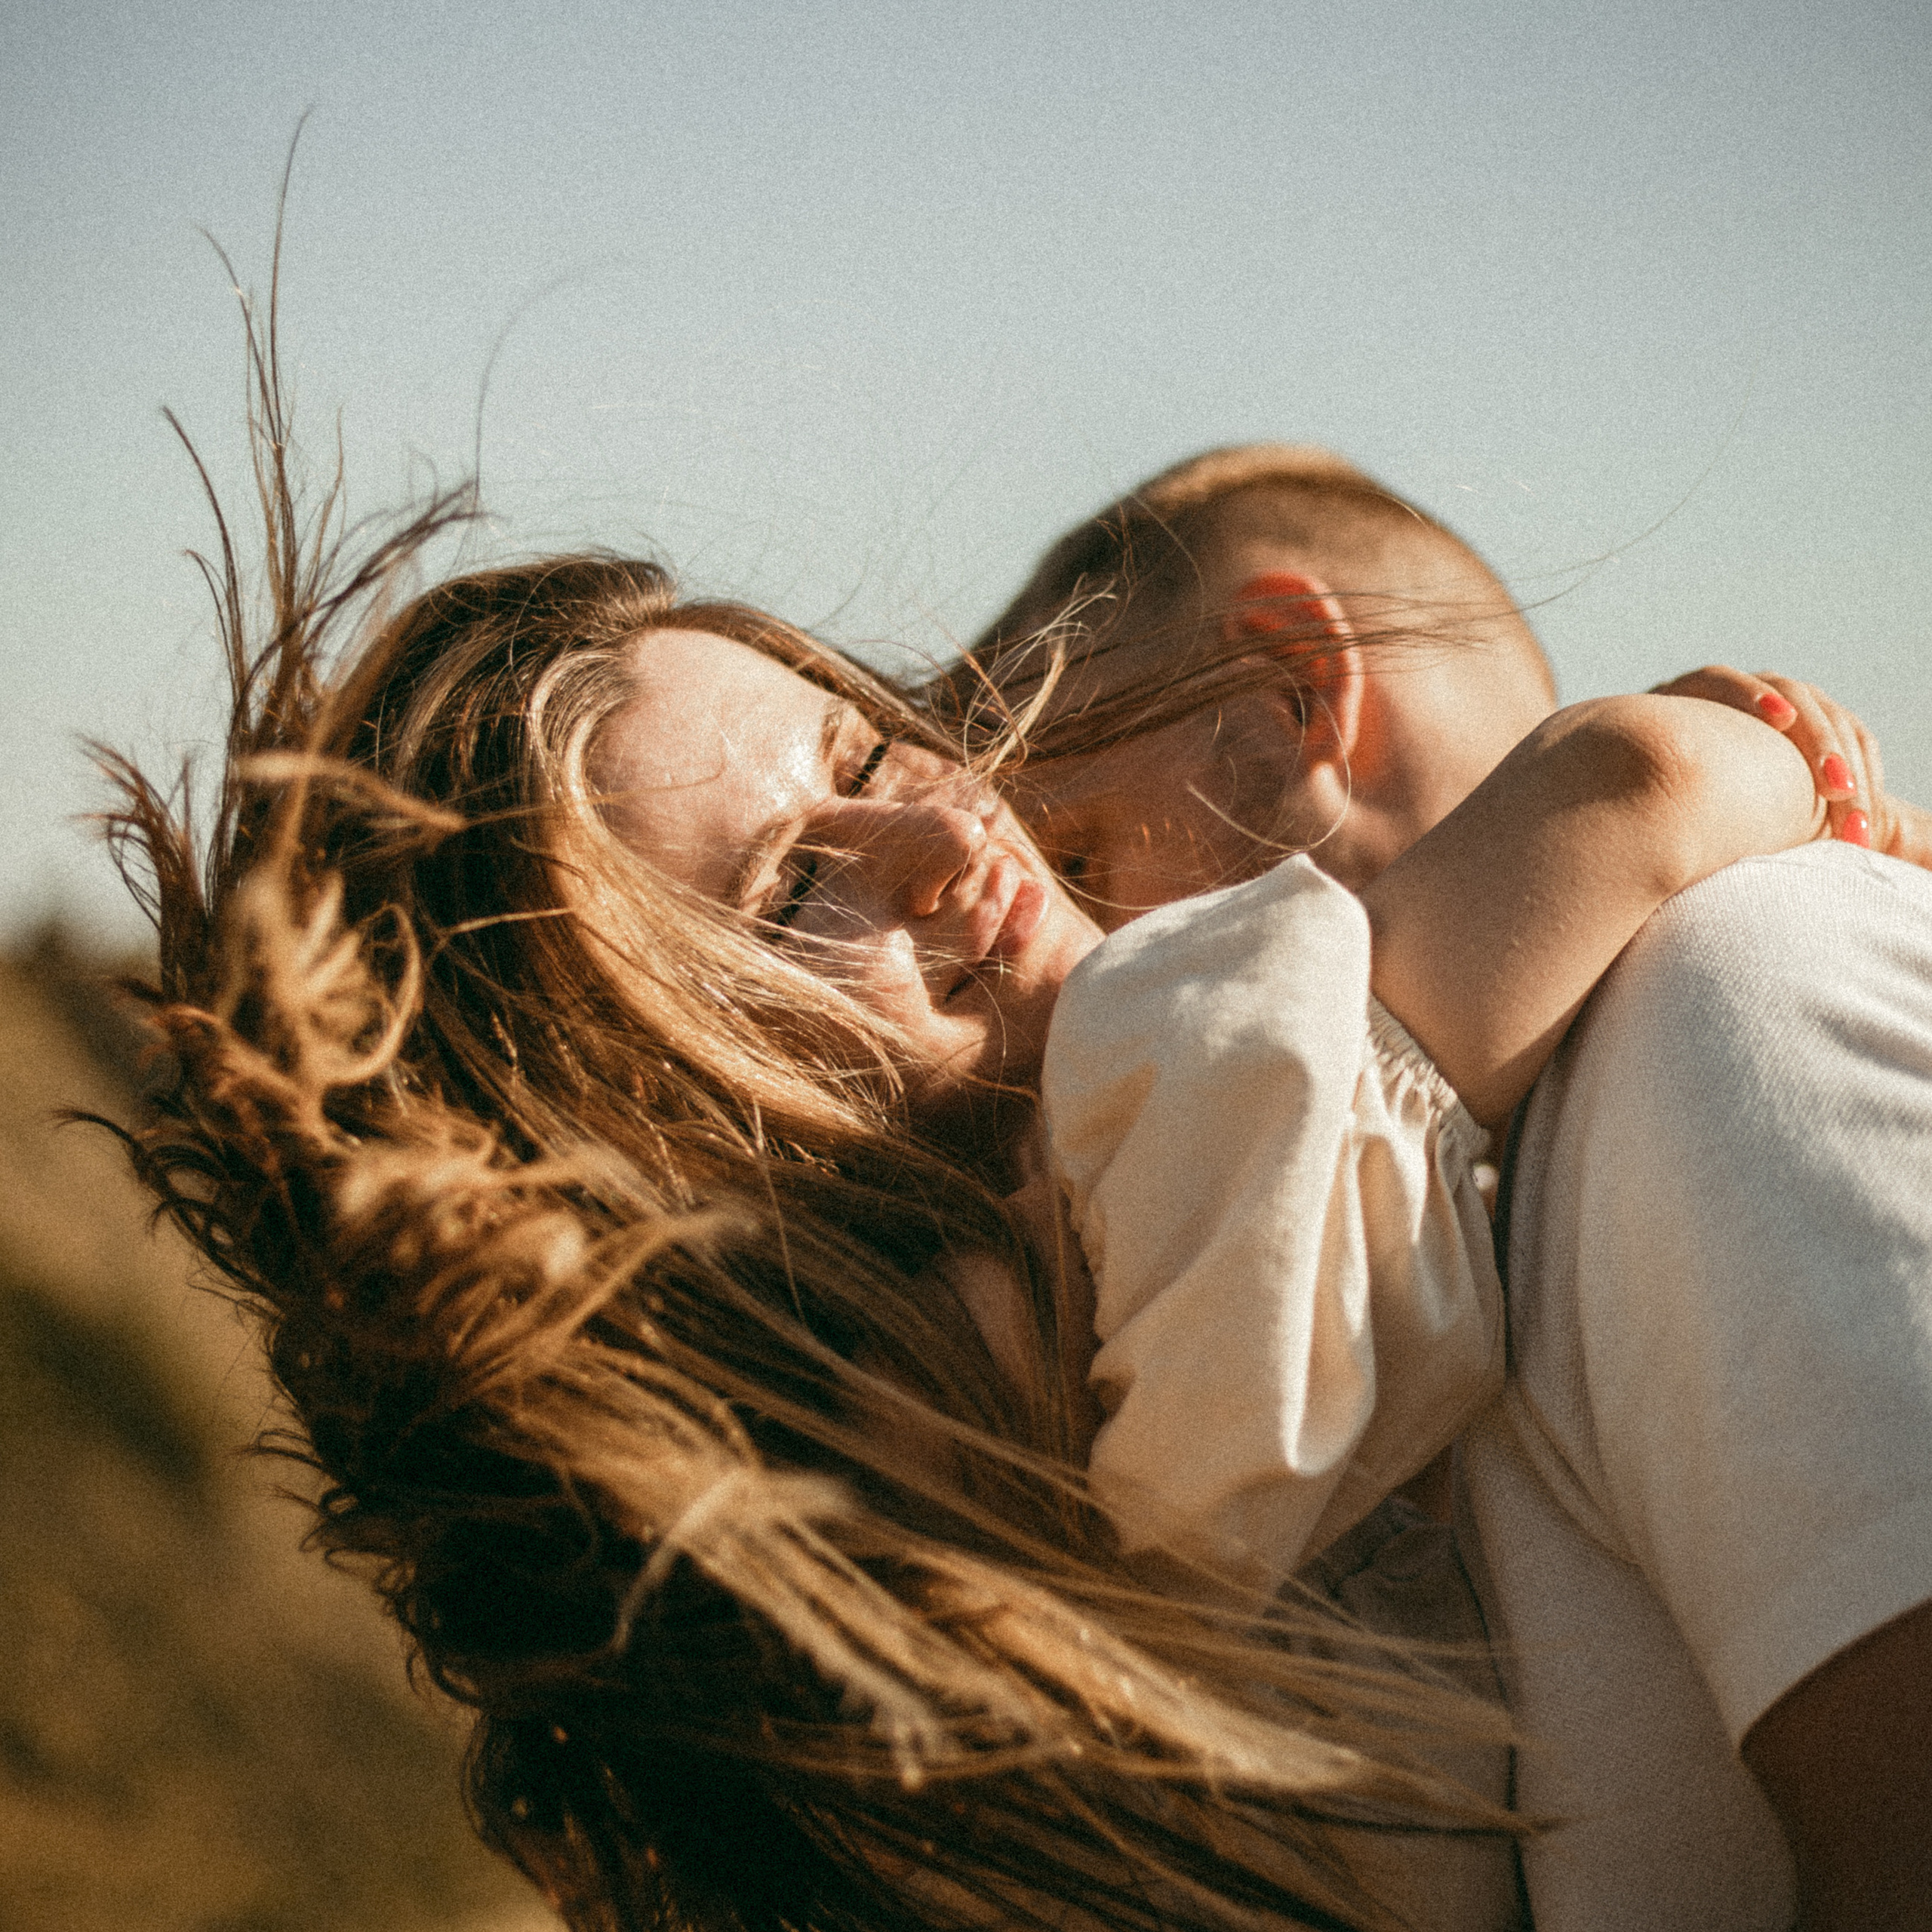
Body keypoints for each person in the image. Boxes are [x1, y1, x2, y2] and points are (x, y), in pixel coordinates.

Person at [100, 313, 1531, 1932]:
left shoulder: (790, 1693)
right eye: (788, 895)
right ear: (654, 1150)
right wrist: (1680, 772)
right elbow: (1630, 794)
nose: (945, 836)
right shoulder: (1029, 1368)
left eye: (866, 747)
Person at [955, 442, 1932, 1930]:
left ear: (1294, 694)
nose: (1054, 983)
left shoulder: (1719, 1003)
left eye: (1077, 849)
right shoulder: (1425, 1246)